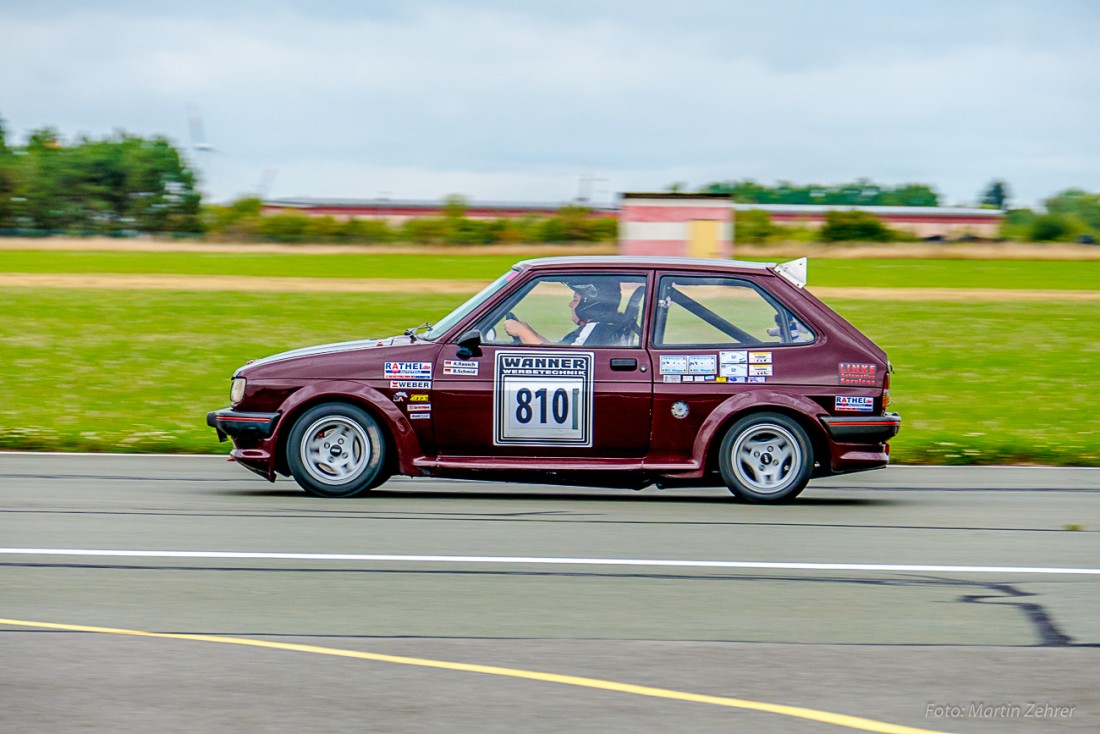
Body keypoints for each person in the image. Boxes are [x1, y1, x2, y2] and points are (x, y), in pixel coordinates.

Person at [504, 279, 626, 346]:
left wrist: (522, 332)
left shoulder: (597, 329)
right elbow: (559, 350)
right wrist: (530, 332)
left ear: (588, 303)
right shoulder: (597, 327)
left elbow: (562, 362)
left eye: (575, 299)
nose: (570, 304)